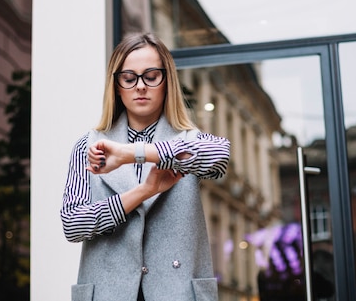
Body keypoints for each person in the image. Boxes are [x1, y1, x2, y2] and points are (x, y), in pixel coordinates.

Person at [60, 33, 230, 301]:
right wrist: (142, 192)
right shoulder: (89, 145)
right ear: (116, 86)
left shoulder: (187, 140)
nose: (140, 86)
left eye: (151, 76)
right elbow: (73, 224)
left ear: (167, 82)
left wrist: (133, 154)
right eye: (129, 78)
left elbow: (220, 156)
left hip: (178, 292)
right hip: (107, 293)